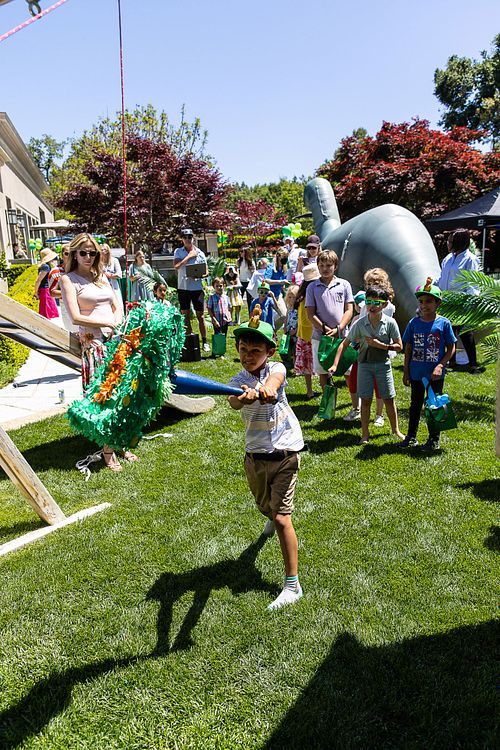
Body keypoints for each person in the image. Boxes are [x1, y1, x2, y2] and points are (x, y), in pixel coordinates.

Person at [228, 314, 304, 611]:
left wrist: (268, 389)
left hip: (285, 453)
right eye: (243, 350)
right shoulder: (237, 381)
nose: (248, 356)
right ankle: (270, 516)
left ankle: (292, 585)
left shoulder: (276, 367)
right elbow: (233, 401)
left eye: (255, 351)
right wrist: (244, 398)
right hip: (255, 456)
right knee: (265, 507)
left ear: (269, 352)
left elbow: (275, 380)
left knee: (283, 517)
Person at [60, 233, 133, 472]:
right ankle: (108, 451)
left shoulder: (101, 276)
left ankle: (120, 443)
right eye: (83, 252)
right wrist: (107, 324)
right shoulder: (68, 280)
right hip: (95, 346)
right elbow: (75, 316)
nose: (88, 257)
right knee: (103, 397)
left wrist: (117, 322)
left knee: (121, 394)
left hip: (115, 342)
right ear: (74, 254)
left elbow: (115, 304)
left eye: (92, 253)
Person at [330, 286, 405, 444]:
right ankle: (365, 434)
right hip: (364, 366)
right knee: (365, 401)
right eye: (368, 302)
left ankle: (396, 430)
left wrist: (382, 346)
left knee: (389, 399)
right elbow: (344, 344)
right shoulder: (360, 324)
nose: (372, 306)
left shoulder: (390, 323)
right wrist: (335, 364)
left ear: (384, 305)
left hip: (383, 365)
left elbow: (399, 346)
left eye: (376, 303)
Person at [399, 279, 457, 452]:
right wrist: (406, 371)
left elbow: (451, 347)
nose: (424, 305)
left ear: (437, 303)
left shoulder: (444, 323)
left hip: (435, 374)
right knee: (415, 405)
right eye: (421, 301)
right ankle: (411, 437)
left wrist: (440, 365)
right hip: (417, 373)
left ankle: (433, 439)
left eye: (429, 301)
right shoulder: (413, 323)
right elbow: (408, 348)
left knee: (434, 404)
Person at [345, 268, 397, 424]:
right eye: (369, 283)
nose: (371, 286)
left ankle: (379, 414)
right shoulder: (365, 303)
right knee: (354, 380)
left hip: (379, 350)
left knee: (380, 385)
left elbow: (384, 327)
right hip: (362, 348)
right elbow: (362, 321)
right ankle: (357, 408)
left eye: (376, 282)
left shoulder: (387, 306)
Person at [305, 249, 354, 389]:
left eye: (328, 265)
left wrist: (340, 328)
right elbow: (310, 314)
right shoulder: (312, 287)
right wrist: (325, 329)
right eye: (321, 265)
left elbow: (349, 310)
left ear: (335, 266)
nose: (325, 269)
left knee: (348, 371)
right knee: (323, 371)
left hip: (342, 336)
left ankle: (355, 401)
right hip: (320, 337)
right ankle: (327, 400)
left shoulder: (344, 285)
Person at [435, 228, 481, 374]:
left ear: (459, 242)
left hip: (462, 302)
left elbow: (473, 282)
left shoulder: (470, 259)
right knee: (449, 333)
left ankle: (473, 364)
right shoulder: (448, 258)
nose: (448, 244)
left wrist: (470, 302)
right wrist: (432, 285)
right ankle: (452, 360)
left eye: (450, 241)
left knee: (465, 333)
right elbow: (442, 277)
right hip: (447, 301)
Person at [173, 228, 210, 352]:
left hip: (197, 288)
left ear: (193, 238)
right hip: (183, 288)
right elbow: (176, 266)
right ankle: (189, 340)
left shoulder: (200, 253)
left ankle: (204, 341)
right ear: (182, 239)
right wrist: (189, 257)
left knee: (201, 316)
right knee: (185, 315)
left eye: (190, 237)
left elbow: (206, 271)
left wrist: (199, 275)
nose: (188, 239)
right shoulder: (178, 252)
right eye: (185, 237)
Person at [294, 265, 320, 400]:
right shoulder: (308, 296)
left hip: (304, 334)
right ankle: (314, 389)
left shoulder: (301, 294)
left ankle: (310, 390)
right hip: (311, 335)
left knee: (307, 366)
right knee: (312, 363)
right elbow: (306, 319)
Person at [34, 248, 60, 320]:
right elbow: (38, 280)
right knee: (46, 312)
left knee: (46, 311)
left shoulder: (45, 266)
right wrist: (36, 292)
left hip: (45, 289)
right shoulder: (45, 266)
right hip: (45, 290)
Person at [101, 244, 124, 314]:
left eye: (104, 250)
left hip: (113, 287)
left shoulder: (114, 260)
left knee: (118, 305)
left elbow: (119, 274)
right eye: (101, 250)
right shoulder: (98, 262)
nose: (103, 251)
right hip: (102, 287)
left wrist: (109, 275)